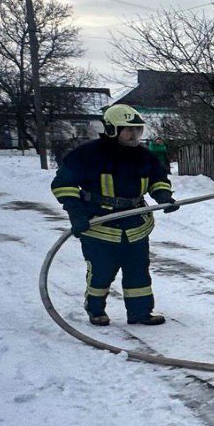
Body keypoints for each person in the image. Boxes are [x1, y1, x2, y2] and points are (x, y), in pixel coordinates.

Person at [50, 104, 179, 327]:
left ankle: (140, 313)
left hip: (135, 225)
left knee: (138, 273)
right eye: (128, 130)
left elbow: (158, 180)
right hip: (99, 225)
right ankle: (96, 309)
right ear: (111, 129)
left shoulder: (145, 157)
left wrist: (164, 197)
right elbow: (63, 184)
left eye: (138, 130)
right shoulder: (88, 154)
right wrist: (76, 213)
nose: (134, 135)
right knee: (101, 273)